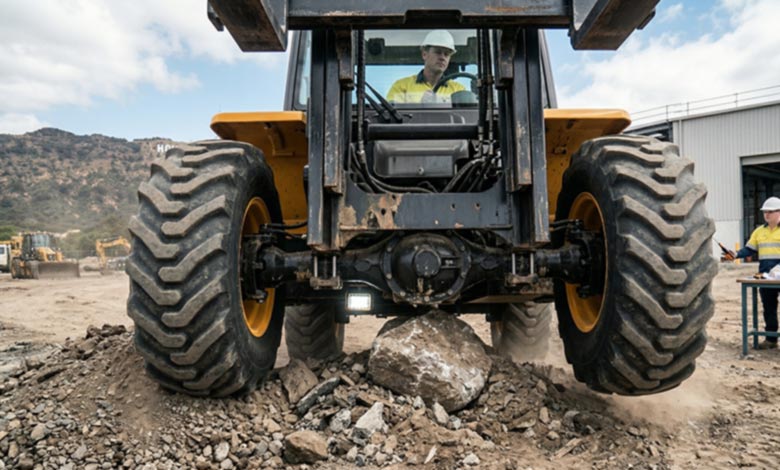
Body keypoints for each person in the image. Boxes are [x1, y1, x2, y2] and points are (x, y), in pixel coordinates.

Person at [728, 196, 780, 349]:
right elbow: (750, 249)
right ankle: (771, 339)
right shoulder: (759, 231)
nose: (767, 215)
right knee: (769, 307)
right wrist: (735, 254)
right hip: (765, 277)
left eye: (770, 212)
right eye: (765, 212)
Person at [387, 30, 466, 104]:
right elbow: (393, 117)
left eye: (446, 54)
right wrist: (422, 107)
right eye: (438, 52)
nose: (442, 58)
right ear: (424, 54)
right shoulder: (401, 87)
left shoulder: (458, 90)